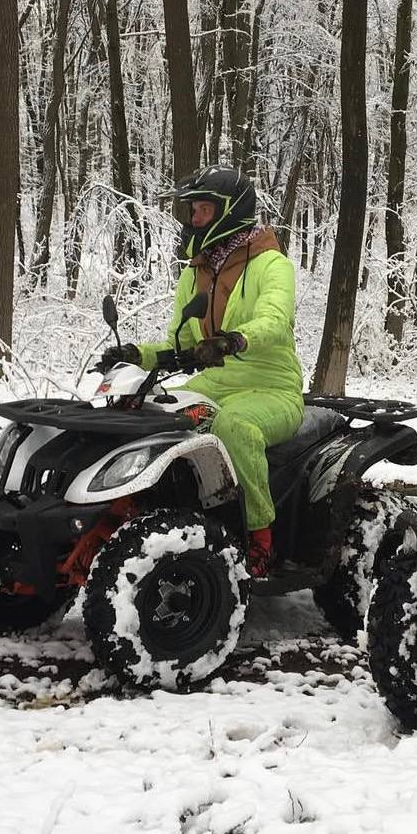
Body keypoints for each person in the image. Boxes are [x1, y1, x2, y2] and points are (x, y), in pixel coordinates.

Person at [100, 164, 305, 578]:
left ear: (230, 211)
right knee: (155, 415)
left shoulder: (271, 264)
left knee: (234, 427)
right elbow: (181, 342)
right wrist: (136, 354)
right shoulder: (195, 272)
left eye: (203, 211)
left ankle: (259, 539)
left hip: (272, 386)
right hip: (214, 381)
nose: (194, 220)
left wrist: (234, 340)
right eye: (192, 211)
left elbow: (274, 320)